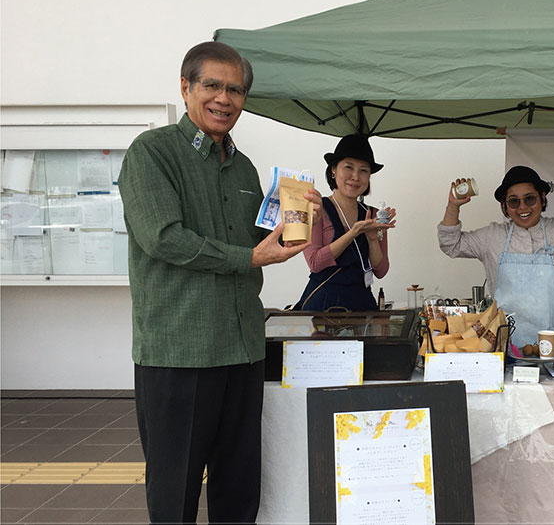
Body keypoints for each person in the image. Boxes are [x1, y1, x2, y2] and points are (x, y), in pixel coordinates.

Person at [118, 41, 308, 523]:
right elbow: (163, 238)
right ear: (186, 87)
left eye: (236, 90)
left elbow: (256, 240)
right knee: (174, 491)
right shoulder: (152, 153)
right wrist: (250, 256)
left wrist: (301, 217)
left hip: (243, 350)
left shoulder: (243, 167)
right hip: (180, 353)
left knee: (239, 489)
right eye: (212, 85)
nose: (225, 98)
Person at [439, 165, 554, 349]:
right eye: (514, 202)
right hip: (507, 348)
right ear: (505, 206)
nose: (523, 207)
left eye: (530, 199)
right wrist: (453, 205)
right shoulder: (492, 237)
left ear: (542, 198)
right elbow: (451, 244)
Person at [293, 134, 396, 311]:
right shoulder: (316, 208)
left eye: (363, 170)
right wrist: (353, 232)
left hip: (362, 304)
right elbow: (315, 263)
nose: (355, 177)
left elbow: (381, 271)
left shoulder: (373, 215)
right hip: (324, 305)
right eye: (348, 167)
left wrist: (372, 239)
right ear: (333, 169)